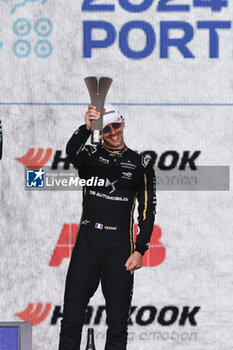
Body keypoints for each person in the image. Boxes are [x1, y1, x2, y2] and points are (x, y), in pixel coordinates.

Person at [59, 103, 156, 350]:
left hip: (119, 249)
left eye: (116, 126)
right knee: (70, 319)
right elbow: (71, 152)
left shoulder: (140, 164)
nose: (112, 132)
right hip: (87, 244)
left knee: (117, 324)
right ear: (100, 132)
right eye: (106, 129)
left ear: (123, 123)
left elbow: (146, 212)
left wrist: (140, 250)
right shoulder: (91, 157)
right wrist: (85, 128)